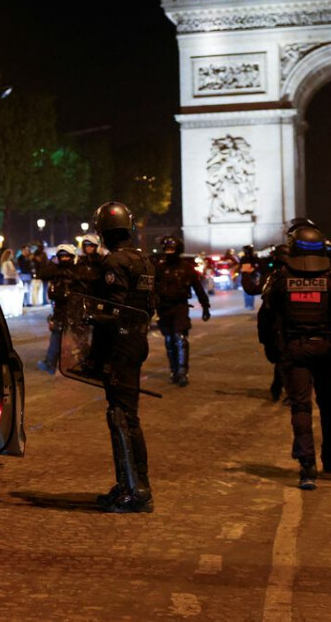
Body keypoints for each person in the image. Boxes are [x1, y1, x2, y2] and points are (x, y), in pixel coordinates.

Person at [258, 224, 331, 490]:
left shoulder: (280, 278)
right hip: (326, 348)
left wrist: (269, 346)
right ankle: (330, 457)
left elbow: (265, 316)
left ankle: (307, 466)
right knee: (330, 406)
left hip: (294, 349)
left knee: (301, 406)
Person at [87, 202, 156, 513]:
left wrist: (92, 317)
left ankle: (137, 491)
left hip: (118, 345)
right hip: (136, 342)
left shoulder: (114, 262)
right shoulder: (145, 261)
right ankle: (129, 483)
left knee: (122, 417)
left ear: (102, 231)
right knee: (125, 415)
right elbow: (148, 305)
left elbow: (116, 309)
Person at [154, 236, 210, 387]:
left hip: (180, 307)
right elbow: (151, 289)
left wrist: (205, 306)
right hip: (163, 308)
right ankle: (173, 370)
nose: (169, 252)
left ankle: (182, 372)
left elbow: (198, 288)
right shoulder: (159, 269)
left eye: (172, 249)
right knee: (169, 340)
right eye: (167, 249)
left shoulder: (187, 269)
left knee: (181, 338)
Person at [36, 244, 82, 374]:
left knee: (78, 337)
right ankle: (50, 363)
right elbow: (42, 274)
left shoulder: (78, 270)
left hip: (75, 309)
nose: (64, 258)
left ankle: (80, 364)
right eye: (62, 256)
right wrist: (57, 269)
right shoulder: (56, 269)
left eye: (67, 256)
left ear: (72, 257)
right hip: (60, 309)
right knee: (57, 335)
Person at [239, 244, 260, 309]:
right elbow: (240, 267)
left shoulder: (253, 258)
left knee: (250, 290)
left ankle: (250, 304)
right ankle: (248, 304)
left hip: (251, 276)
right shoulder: (244, 258)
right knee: (247, 290)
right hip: (247, 276)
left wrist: (254, 269)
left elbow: (258, 266)